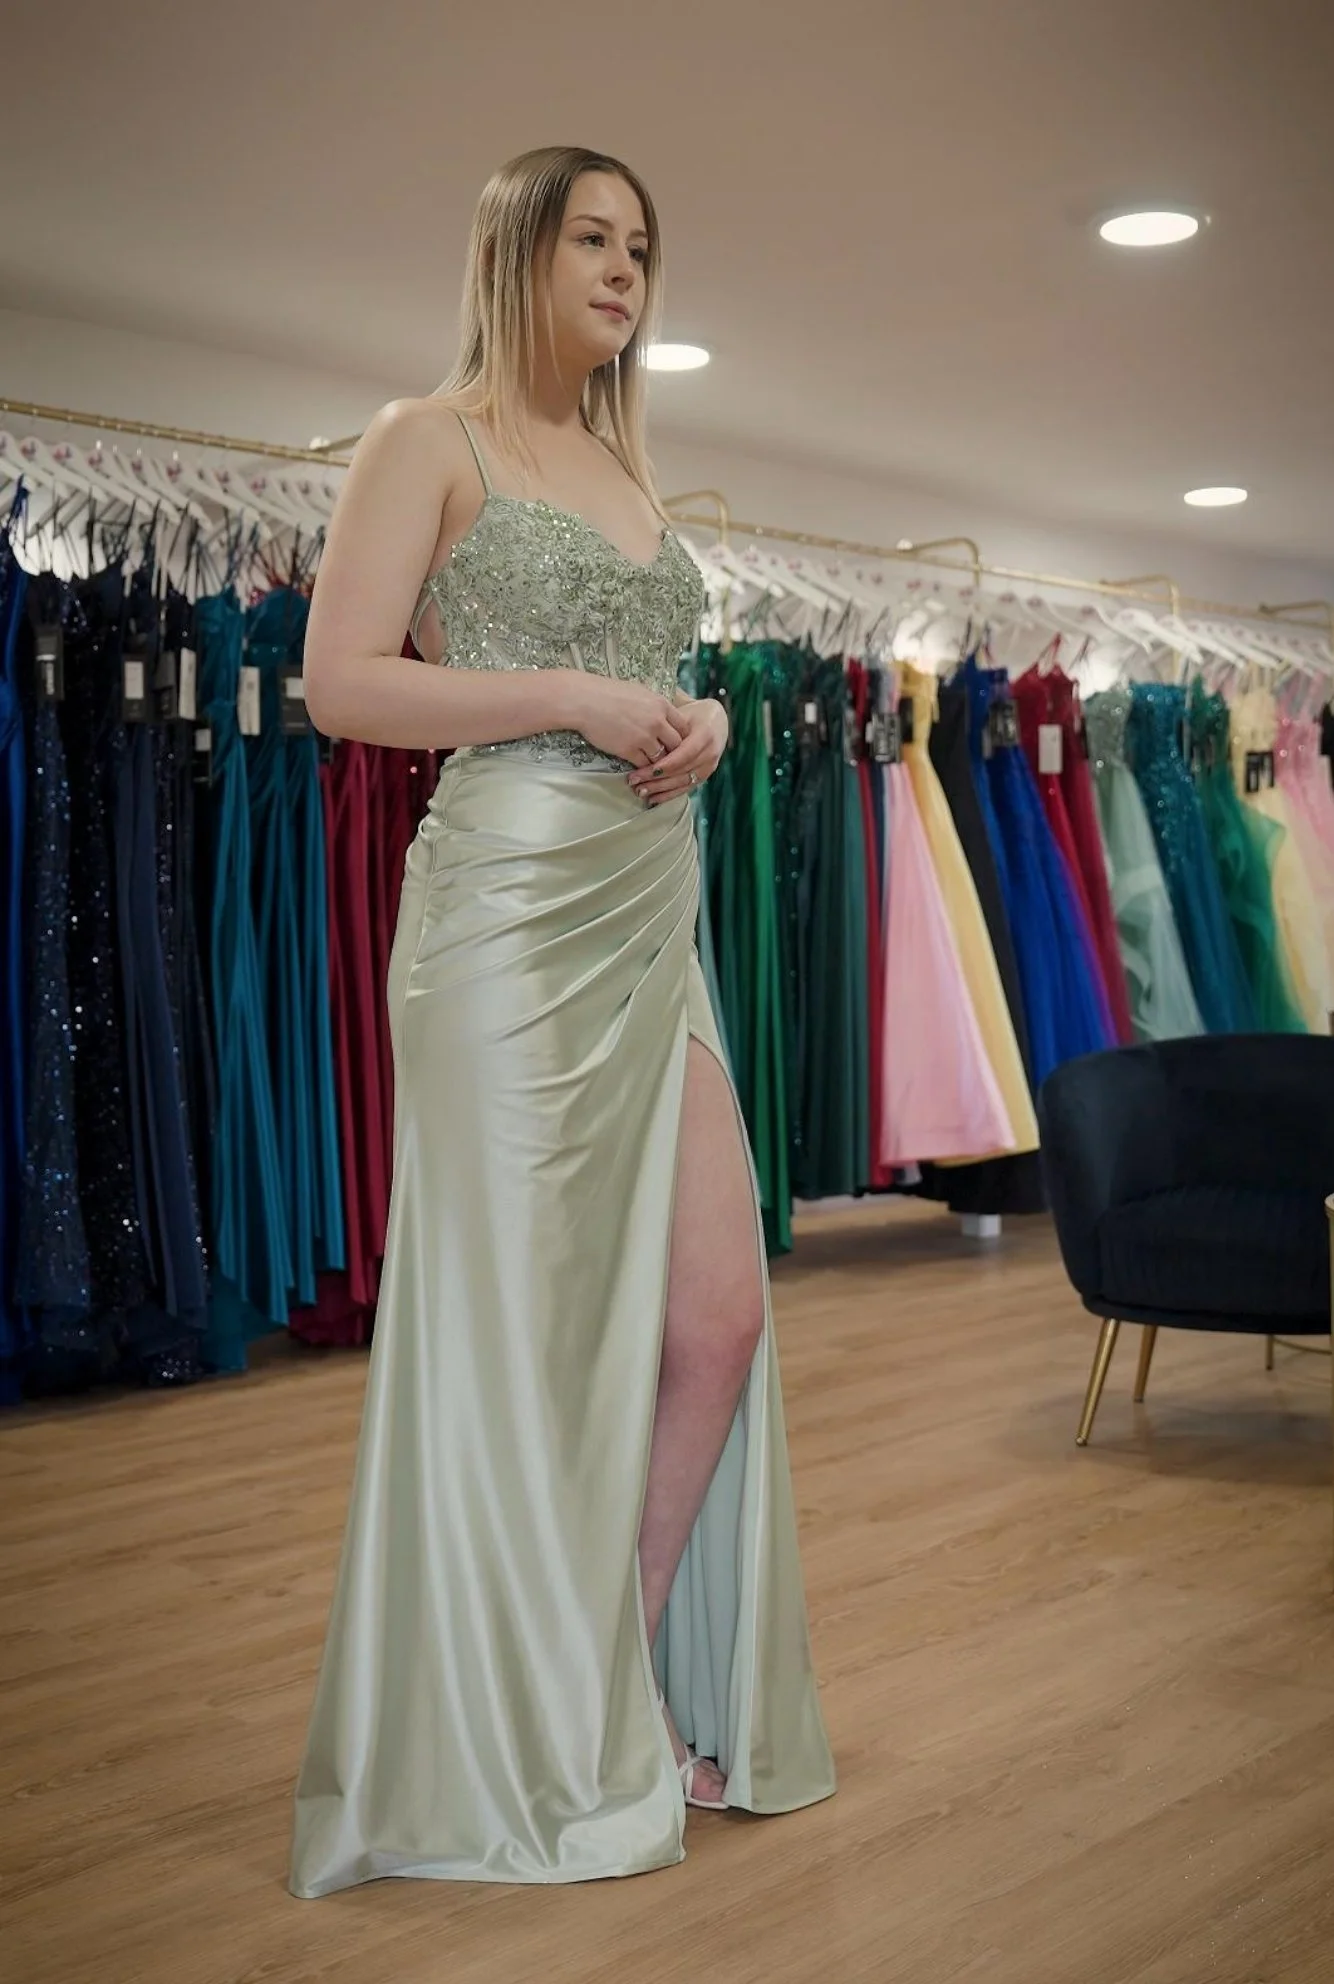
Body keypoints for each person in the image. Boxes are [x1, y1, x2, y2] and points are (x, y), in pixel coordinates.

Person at [289, 144, 835, 1896]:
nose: (622, 270)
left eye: (640, 248)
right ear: (515, 250)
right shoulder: (425, 438)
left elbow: (652, 689)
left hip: (647, 910)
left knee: (717, 1319)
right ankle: (550, 1720)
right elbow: (340, 684)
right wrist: (576, 701)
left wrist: (703, 723)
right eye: (592, 237)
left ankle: (609, 1659)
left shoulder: (623, 464)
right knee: (524, 1342)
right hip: (506, 919)